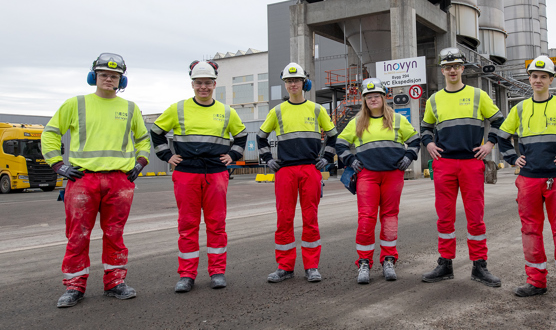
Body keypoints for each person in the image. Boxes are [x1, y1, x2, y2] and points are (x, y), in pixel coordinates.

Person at [41, 53, 151, 308]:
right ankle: (74, 286)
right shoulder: (75, 104)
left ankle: (115, 283)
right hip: (82, 179)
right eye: (104, 75)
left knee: (115, 234)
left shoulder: (130, 108)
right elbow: (50, 133)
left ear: (121, 81)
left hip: (120, 182)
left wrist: (140, 163)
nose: (108, 79)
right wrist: (58, 165)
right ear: (94, 77)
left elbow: (144, 140)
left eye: (114, 76)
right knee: (78, 234)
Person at [151, 60, 247, 293]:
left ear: (215, 84)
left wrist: (233, 155)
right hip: (186, 174)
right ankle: (186, 275)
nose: (203, 87)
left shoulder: (226, 111)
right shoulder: (178, 109)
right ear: (192, 84)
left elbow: (242, 135)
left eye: (207, 83)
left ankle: (217, 272)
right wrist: (167, 156)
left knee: (216, 225)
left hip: (215, 174)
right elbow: (156, 132)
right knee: (187, 225)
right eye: (198, 83)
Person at [497, 55, 556, 306]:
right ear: (530, 79)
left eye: (543, 77)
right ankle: (536, 281)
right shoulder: (520, 108)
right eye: (534, 76)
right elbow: (503, 137)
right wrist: (514, 158)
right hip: (529, 179)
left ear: (551, 79)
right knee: (530, 230)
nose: (538, 80)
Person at [420, 47, 505, 285]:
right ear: (442, 70)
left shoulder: (479, 95)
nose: (452, 70)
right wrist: (429, 144)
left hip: (471, 163)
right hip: (444, 164)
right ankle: (445, 264)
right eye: (447, 67)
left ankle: (480, 266)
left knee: (475, 217)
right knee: (444, 217)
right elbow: (425, 128)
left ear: (462, 68)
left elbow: (499, 122)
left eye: (456, 66)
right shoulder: (434, 100)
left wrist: (489, 144)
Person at [257, 62, 338, 283]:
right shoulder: (277, 111)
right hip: (285, 171)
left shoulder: (316, 109)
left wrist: (326, 158)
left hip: (310, 169)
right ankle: (285, 267)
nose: (293, 84)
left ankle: (311, 266)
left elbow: (333, 135)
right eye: (289, 81)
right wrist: (267, 159)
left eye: (297, 80)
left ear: (304, 82)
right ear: (285, 84)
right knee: (284, 218)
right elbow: (260, 137)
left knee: (310, 218)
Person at [336, 78, 421, 284]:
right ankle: (364, 262)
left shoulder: (398, 119)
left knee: (390, 217)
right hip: (368, 175)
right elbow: (340, 143)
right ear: (364, 100)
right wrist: (350, 159)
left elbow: (415, 140)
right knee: (366, 218)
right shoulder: (357, 121)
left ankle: (388, 259)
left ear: (384, 98)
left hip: (393, 174)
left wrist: (409, 157)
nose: (373, 99)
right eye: (369, 97)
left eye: (376, 96)